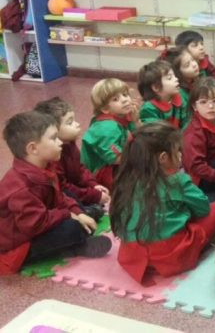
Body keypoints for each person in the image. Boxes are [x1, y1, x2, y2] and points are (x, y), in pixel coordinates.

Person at [110, 122, 215, 284]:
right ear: (163, 158)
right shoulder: (177, 180)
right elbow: (203, 209)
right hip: (170, 254)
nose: (180, 155)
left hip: (133, 255)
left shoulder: (125, 179)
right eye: (177, 150)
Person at [0, 112, 111, 274]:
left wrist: (78, 212)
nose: (60, 142)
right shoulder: (21, 189)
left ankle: (84, 218)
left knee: (70, 197)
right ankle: (75, 247)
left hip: (42, 217)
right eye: (53, 138)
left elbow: (60, 196)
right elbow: (36, 225)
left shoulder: (45, 166)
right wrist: (69, 215)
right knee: (72, 229)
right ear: (33, 148)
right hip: (20, 243)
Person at [34, 97, 110, 221]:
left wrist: (93, 185)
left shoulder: (69, 144)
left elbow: (80, 169)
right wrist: (93, 195)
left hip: (77, 192)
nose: (77, 124)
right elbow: (63, 188)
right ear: (54, 131)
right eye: (70, 122)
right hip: (66, 197)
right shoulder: (53, 157)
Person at [80, 78, 139, 190]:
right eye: (115, 99)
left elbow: (137, 134)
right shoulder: (107, 127)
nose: (124, 100)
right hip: (99, 172)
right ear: (105, 109)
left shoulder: (122, 115)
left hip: (113, 161)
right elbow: (116, 158)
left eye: (125, 94)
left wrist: (135, 120)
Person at [138, 60, 188, 129]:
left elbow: (186, 122)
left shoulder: (180, 96)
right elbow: (153, 132)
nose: (176, 79)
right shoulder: (148, 109)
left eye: (174, 76)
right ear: (156, 87)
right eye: (169, 78)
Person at [161, 47, 200, 114]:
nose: (194, 64)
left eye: (193, 60)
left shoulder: (195, 81)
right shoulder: (180, 94)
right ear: (178, 72)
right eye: (187, 65)